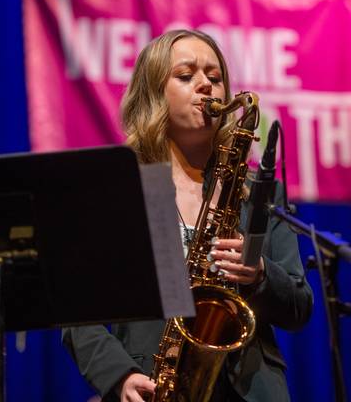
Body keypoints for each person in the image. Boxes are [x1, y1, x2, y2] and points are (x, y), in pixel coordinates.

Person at [62, 29, 313, 402]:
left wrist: (259, 274)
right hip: (153, 385)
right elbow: (78, 310)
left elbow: (299, 305)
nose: (206, 87)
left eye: (215, 78)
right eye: (186, 76)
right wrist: (120, 375)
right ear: (153, 93)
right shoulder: (119, 190)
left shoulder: (260, 195)